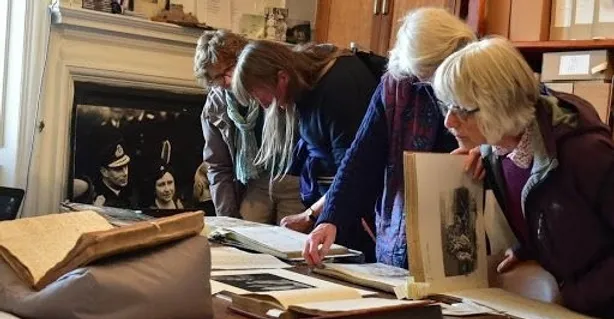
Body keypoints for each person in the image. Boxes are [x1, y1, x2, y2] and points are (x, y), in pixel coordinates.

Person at [432, 37, 614, 319]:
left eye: (461, 110)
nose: (449, 122)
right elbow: (549, 208)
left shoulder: (585, 153)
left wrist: (577, 295)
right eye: (447, 107)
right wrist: (529, 246)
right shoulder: (498, 151)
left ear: (499, 105)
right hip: (569, 314)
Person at [300, 8, 476, 267]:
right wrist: (330, 219)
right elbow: (361, 157)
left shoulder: (481, 76)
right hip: (405, 226)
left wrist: (486, 153)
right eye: (422, 76)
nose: (430, 84)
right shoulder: (398, 83)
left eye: (433, 72)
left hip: (469, 223)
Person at [232, 39, 381, 260]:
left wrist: (309, 216)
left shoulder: (340, 88)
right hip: (335, 205)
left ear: (282, 77)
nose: (260, 103)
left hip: (359, 213)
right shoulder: (308, 82)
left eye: (257, 94)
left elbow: (354, 174)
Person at [194, 29, 304, 224]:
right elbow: (218, 167)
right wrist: (229, 220)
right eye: (218, 77)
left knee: (289, 242)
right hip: (255, 181)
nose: (227, 81)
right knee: (245, 238)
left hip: (294, 179)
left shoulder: (271, 83)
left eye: (229, 69)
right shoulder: (216, 107)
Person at [95, 134, 134, 208]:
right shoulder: (95, 196)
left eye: (126, 166)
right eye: (118, 169)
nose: (125, 173)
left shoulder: (133, 193)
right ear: (104, 172)